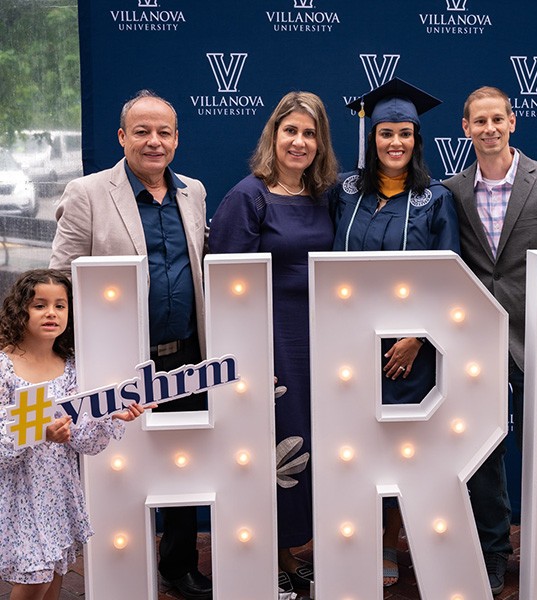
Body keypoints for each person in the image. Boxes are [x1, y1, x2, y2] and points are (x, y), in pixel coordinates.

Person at [49, 90, 213, 600]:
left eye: (164, 132)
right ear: (122, 137)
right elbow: (60, 277)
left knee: (182, 458)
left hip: (186, 356)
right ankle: (122, 567)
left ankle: (178, 562)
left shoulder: (195, 193)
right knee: (120, 468)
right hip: (119, 362)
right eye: (141, 131)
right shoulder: (88, 193)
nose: (154, 141)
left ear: (177, 138)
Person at [443, 85, 537, 595]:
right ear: (465, 128)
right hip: (474, 345)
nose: (488, 129)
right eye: (478, 121)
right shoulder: (451, 191)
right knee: (481, 456)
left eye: (496, 119)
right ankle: (493, 551)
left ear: (513, 121)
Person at [208, 91, 337, 600]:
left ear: (320, 142)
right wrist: (246, 353)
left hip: (320, 343)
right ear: (274, 136)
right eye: (291, 131)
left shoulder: (325, 195)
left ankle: (292, 552)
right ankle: (270, 556)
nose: (300, 142)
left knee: (313, 445)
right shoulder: (249, 196)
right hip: (272, 343)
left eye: (309, 133)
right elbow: (225, 283)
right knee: (274, 449)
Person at [332, 77, 460, 587]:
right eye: (386, 133)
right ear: (372, 137)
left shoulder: (435, 200)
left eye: (405, 134)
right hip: (348, 344)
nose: (395, 143)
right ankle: (353, 537)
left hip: (407, 351)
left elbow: (448, 273)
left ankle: (390, 539)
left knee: (401, 448)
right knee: (353, 446)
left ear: (416, 140)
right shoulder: (343, 192)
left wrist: (418, 337)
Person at [0, 269, 147, 600]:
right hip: (18, 491)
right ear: (20, 309)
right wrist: (40, 433)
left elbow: (83, 439)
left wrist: (112, 415)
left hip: (56, 489)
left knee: (53, 575)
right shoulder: (4, 368)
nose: (51, 313)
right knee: (34, 579)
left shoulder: (70, 368)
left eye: (60, 305)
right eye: (40, 305)